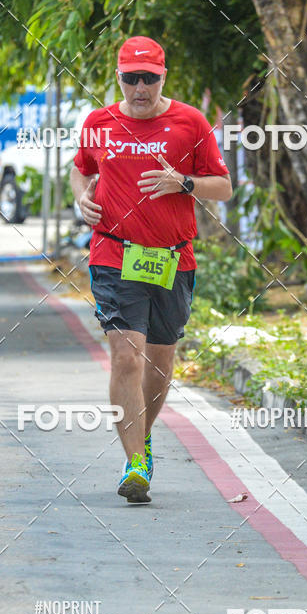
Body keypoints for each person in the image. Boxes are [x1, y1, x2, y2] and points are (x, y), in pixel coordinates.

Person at [70, 36, 232, 503]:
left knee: (159, 363)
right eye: (131, 78)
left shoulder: (190, 122)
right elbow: (80, 169)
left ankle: (141, 439)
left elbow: (223, 187)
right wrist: (81, 198)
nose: (140, 87)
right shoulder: (99, 123)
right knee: (126, 355)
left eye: (149, 78)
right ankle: (135, 462)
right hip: (114, 253)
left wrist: (183, 182)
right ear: (118, 77)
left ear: (163, 77)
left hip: (172, 258)